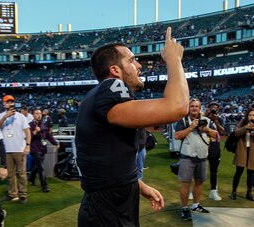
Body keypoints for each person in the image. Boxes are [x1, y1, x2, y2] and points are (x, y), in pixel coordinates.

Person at [75, 27, 189, 226]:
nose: (139, 65)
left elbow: (107, 162)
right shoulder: (111, 87)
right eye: (131, 60)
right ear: (115, 70)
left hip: (109, 206)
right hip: (108, 212)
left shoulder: (98, 97)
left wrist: (139, 186)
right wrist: (174, 59)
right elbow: (178, 107)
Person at [175, 98, 218, 221]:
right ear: (189, 107)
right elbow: (177, 136)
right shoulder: (183, 120)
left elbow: (217, 135)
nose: (194, 108)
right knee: (185, 183)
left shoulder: (207, 121)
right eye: (192, 106)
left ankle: (195, 205)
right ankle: (184, 208)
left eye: (196, 106)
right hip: (187, 157)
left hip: (202, 157)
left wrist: (206, 129)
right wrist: (191, 127)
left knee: (199, 182)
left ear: (200, 108)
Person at [0, 95, 31, 204]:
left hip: (19, 148)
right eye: (7, 102)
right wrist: (5, 117)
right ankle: (12, 194)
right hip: (6, 150)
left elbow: (27, 131)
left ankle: (23, 195)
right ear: (4, 103)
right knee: (10, 174)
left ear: (13, 103)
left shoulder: (21, 116)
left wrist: (28, 145)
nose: (10, 103)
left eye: (11, 102)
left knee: (22, 173)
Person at [230, 108, 254, 201]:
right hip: (242, 151)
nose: (252, 117)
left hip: (253, 152)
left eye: (253, 115)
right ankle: (234, 191)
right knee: (238, 172)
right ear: (247, 116)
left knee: (250, 174)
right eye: (250, 115)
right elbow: (236, 133)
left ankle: (249, 193)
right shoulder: (242, 124)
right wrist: (246, 128)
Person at [28, 109, 60, 193]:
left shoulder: (43, 125)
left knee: (39, 166)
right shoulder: (30, 125)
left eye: (40, 113)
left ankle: (31, 177)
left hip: (43, 148)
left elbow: (49, 136)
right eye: (36, 113)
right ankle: (44, 186)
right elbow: (28, 138)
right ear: (33, 115)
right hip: (34, 149)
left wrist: (55, 143)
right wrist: (35, 132)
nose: (39, 115)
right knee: (41, 167)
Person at [205, 102, 225, 201]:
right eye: (212, 107)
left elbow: (222, 132)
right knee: (197, 170)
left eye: (216, 108)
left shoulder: (219, 119)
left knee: (214, 171)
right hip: (203, 147)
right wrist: (207, 116)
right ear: (208, 109)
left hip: (215, 149)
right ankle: (192, 190)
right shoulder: (204, 118)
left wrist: (216, 121)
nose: (214, 109)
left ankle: (213, 191)